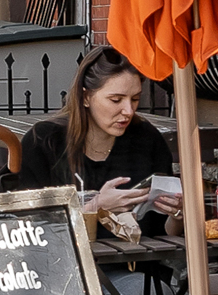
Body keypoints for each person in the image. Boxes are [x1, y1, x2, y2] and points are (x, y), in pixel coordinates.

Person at [17, 48, 181, 240]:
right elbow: (30, 231)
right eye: (116, 100)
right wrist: (95, 208)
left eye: (135, 99)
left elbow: (164, 234)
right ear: (86, 97)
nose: (128, 110)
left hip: (139, 264)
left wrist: (178, 215)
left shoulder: (147, 138)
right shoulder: (45, 142)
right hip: (66, 265)